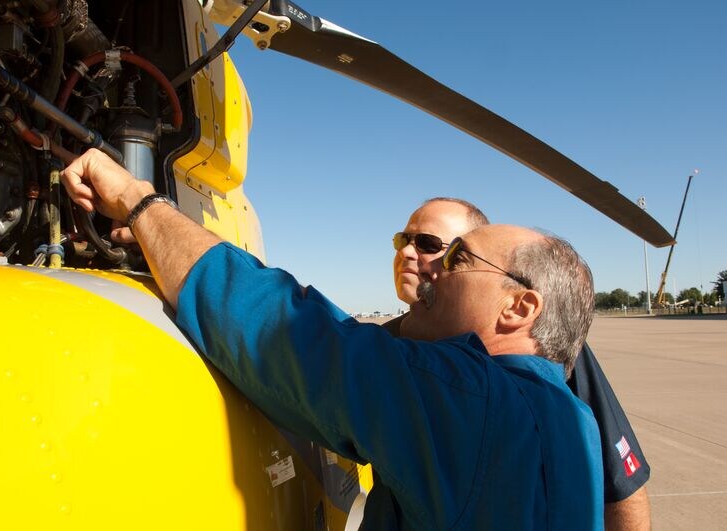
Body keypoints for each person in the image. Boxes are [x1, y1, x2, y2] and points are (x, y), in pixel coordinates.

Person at [62, 149, 604, 530]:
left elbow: (290, 334)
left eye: (458, 259)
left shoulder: (470, 401)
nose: (433, 270)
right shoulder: (570, 419)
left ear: (520, 307)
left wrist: (139, 202)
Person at [389, 198, 651, 530]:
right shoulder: (394, 339)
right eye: (403, 240)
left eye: (428, 244)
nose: (407, 254)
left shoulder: (538, 352)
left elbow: (621, 483)